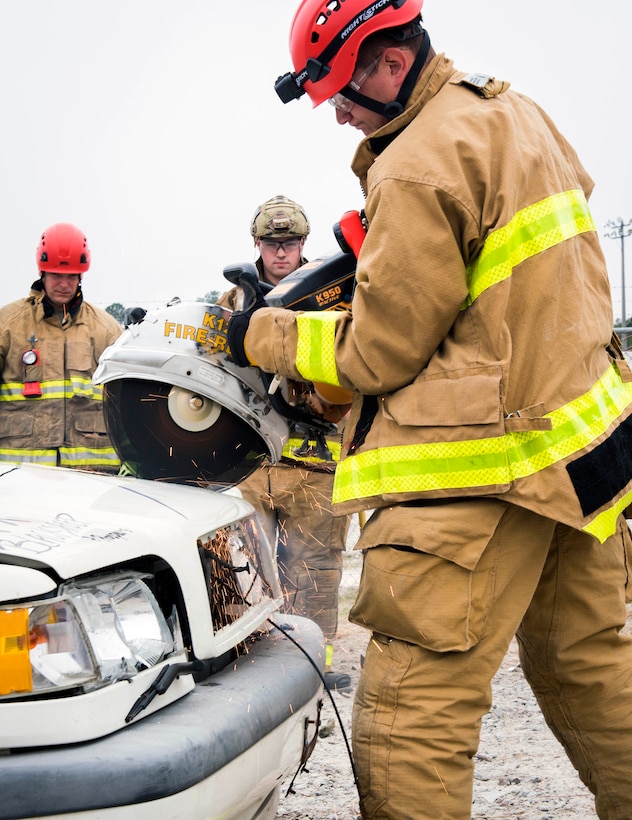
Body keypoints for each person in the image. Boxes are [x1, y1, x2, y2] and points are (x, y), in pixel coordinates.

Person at [225, 1, 632, 817]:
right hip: (580, 460)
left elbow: (377, 353)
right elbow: (508, 289)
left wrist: (262, 332)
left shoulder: (416, 161)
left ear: (388, 62)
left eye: (341, 91)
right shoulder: (515, 112)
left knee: (411, 713)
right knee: (593, 674)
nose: (337, 112)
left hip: (476, 477)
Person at [219, 195, 353, 693]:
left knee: (315, 566)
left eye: (290, 243)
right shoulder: (233, 301)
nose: (282, 253)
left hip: (315, 460)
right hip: (252, 463)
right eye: (273, 244)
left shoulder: (332, 293)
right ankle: (242, 661)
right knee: (240, 562)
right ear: (257, 244)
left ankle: (312, 662)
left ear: (304, 244)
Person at [0, 222, 122, 471]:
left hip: (93, 476)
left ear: (81, 276)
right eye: (56, 275)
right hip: (18, 476)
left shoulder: (107, 330)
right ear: (42, 272)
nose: (64, 284)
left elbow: (128, 403)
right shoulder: (7, 325)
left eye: (71, 277)